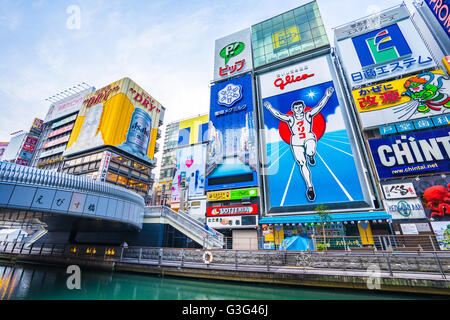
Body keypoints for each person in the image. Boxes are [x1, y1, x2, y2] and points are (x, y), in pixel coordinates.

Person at [264, 87, 334, 201]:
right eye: (296, 107)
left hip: (308, 137)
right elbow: (278, 115)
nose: (298, 109)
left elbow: (319, 106)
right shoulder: (290, 119)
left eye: (300, 107)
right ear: (293, 109)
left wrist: (327, 95)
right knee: (302, 163)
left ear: (303, 107)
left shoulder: (308, 115)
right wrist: (270, 107)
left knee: (310, 150)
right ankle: (310, 187)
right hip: (296, 141)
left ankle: (311, 156)